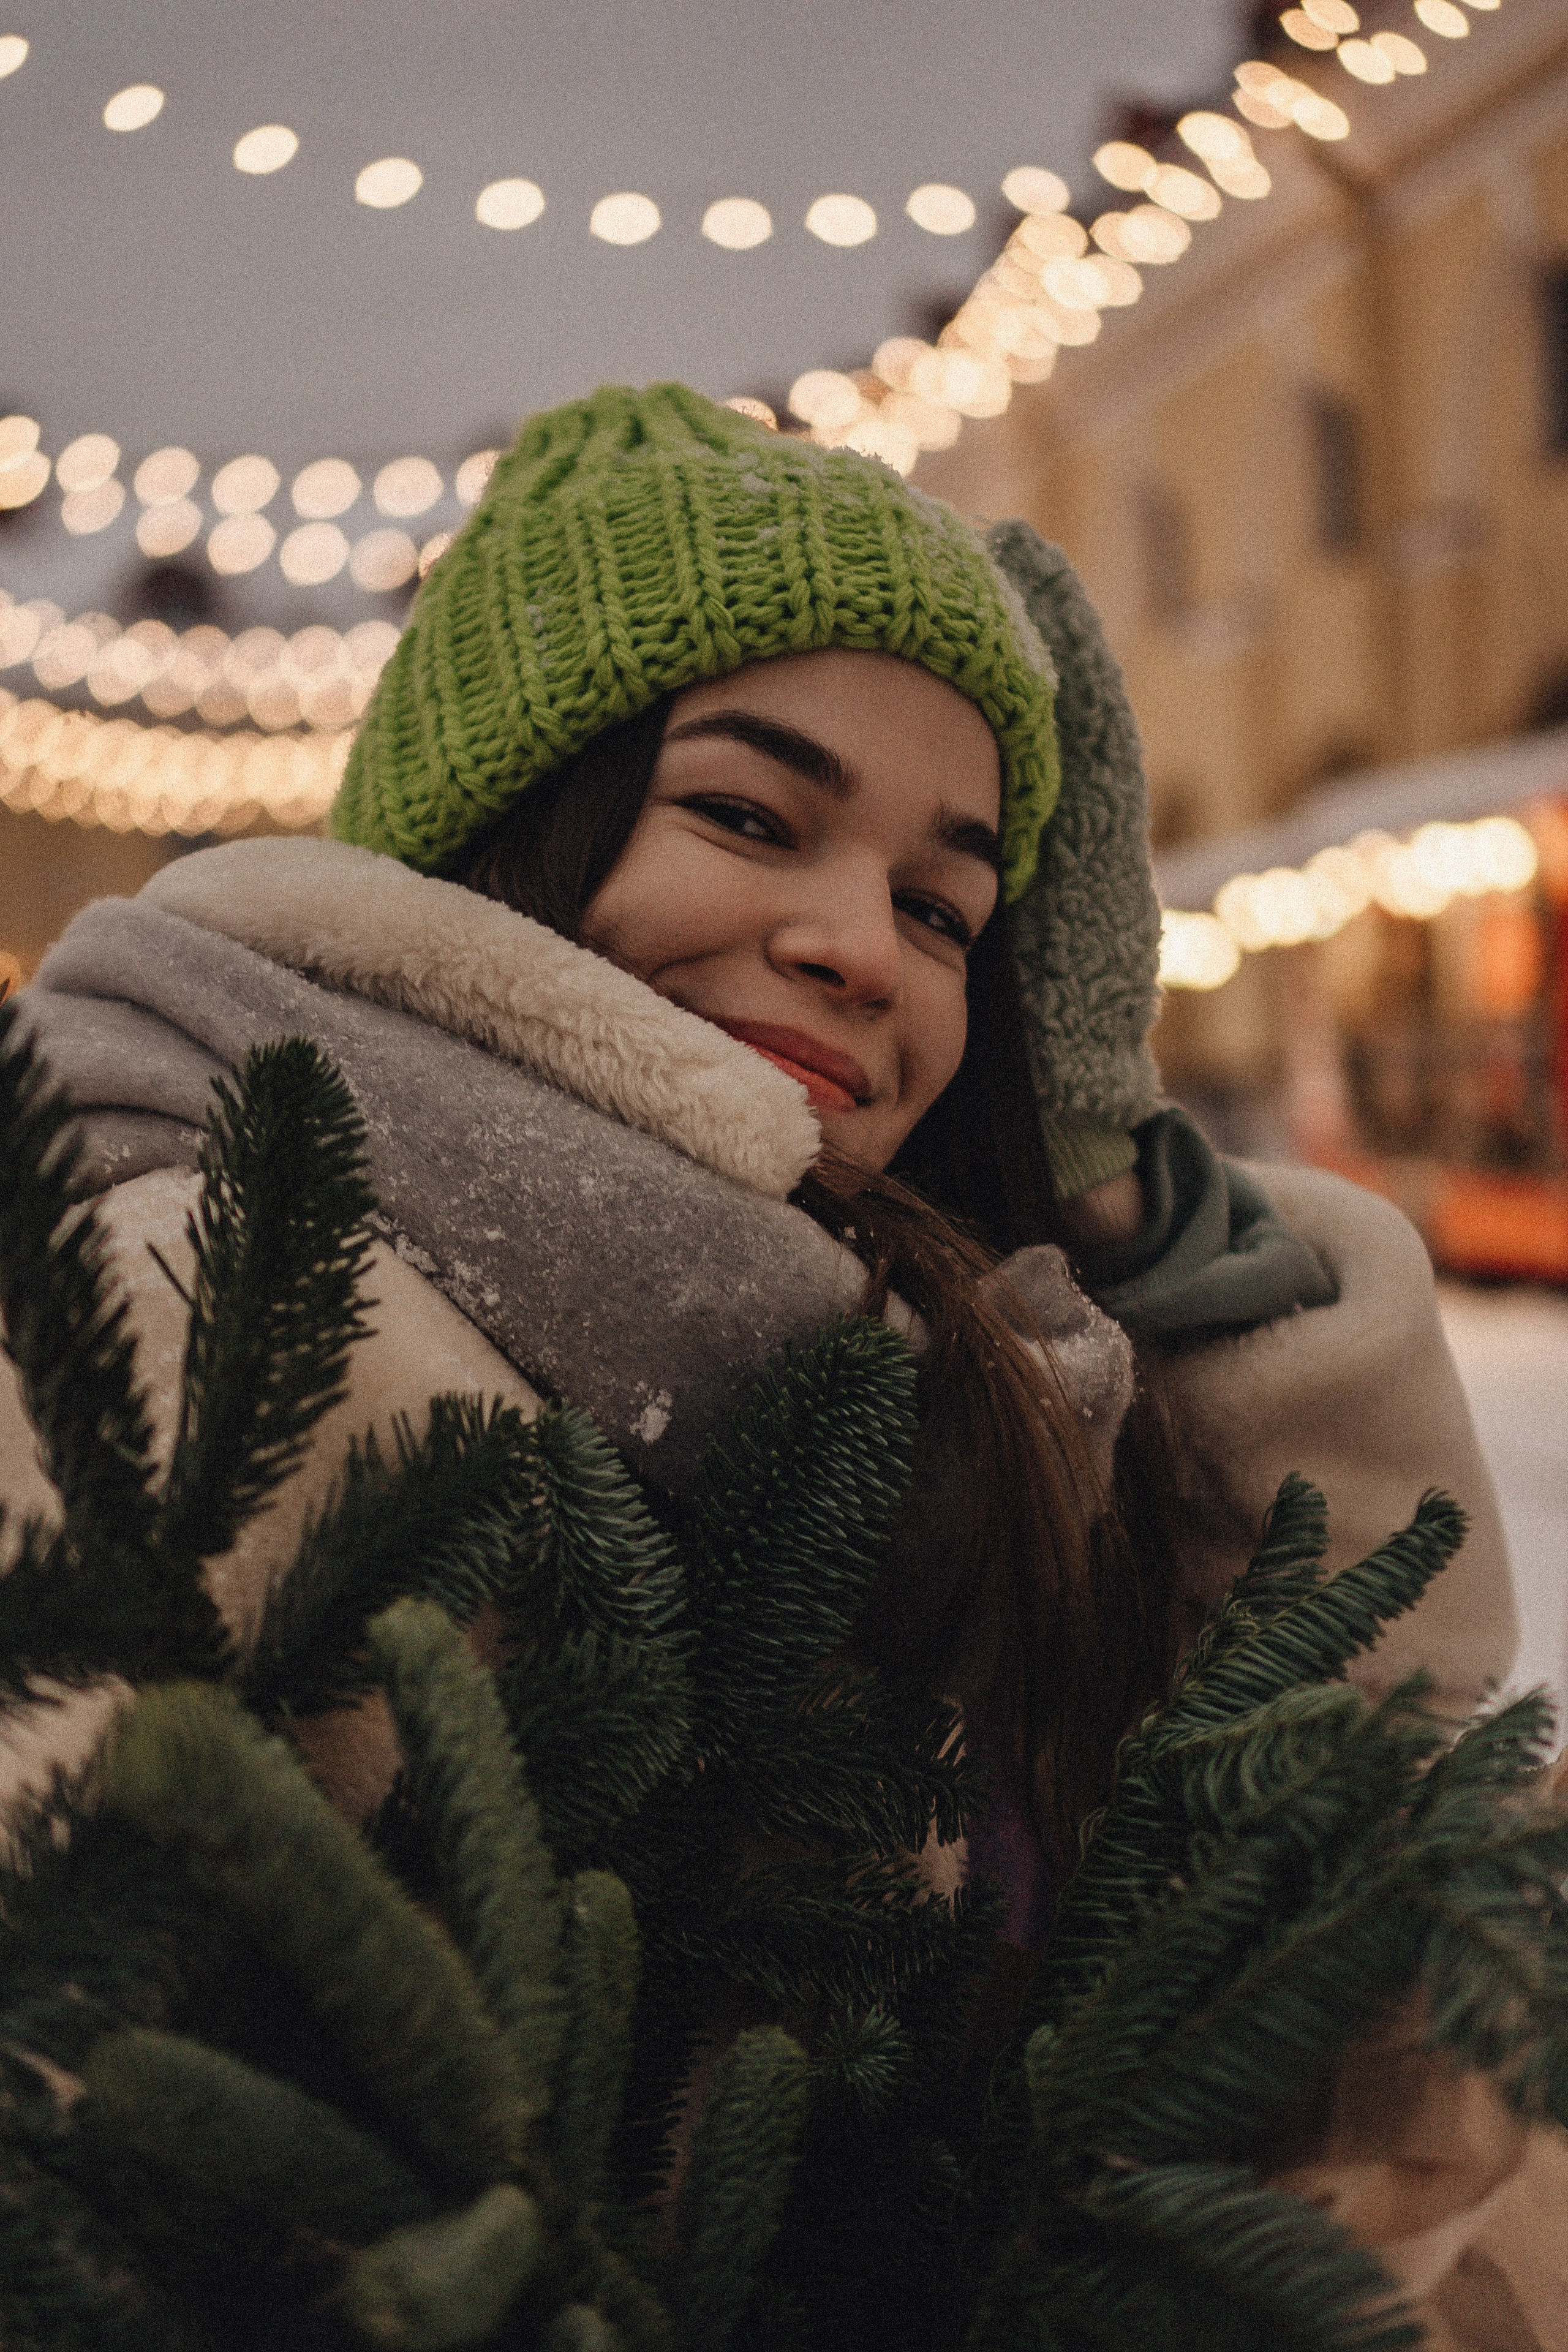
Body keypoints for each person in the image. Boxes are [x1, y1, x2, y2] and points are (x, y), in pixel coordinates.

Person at [0, 380, 1541, 2333]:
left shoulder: (948, 1387)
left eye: (942, 903)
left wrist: (1117, 1204)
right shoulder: (213, 1291)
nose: (863, 950)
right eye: (747, 814)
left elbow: (1361, 1903)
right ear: (504, 835)